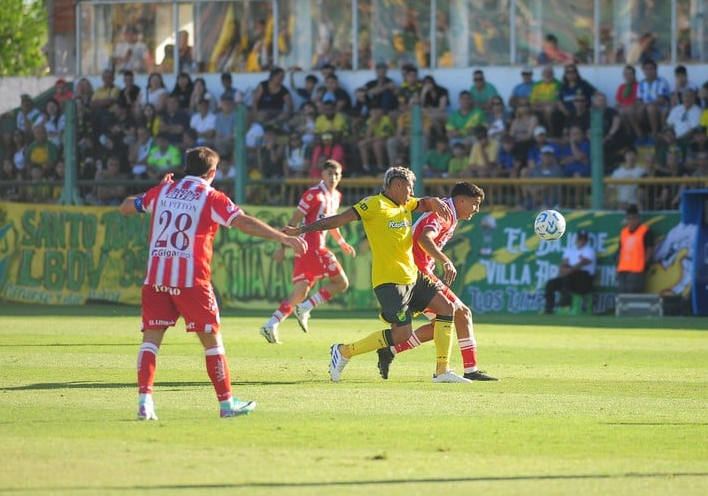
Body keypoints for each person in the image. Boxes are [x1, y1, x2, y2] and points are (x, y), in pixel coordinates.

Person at [119, 146, 307, 421]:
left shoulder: (162, 191)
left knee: (150, 341)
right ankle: (226, 403)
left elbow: (125, 206)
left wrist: (154, 191)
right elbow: (242, 222)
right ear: (213, 172)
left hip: (156, 277)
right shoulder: (210, 196)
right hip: (192, 280)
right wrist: (283, 237)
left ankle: (145, 404)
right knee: (212, 342)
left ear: (186, 167)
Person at [283, 166, 470, 383]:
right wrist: (301, 230)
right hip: (390, 281)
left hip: (414, 276)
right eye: (410, 188)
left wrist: (434, 200)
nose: (412, 193)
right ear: (397, 186)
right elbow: (336, 220)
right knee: (402, 335)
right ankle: (344, 351)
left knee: (447, 308)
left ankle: (442, 371)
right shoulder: (373, 205)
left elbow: (424, 202)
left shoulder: (406, 203)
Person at [375, 182, 498, 381]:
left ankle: (390, 350)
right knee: (461, 314)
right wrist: (446, 261)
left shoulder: (448, 212)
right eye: (475, 204)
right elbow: (424, 239)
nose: (477, 209)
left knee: (442, 325)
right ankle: (468, 370)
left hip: (419, 271)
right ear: (461, 200)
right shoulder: (444, 213)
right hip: (417, 273)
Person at [260, 160, 355, 343]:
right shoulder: (313, 195)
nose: (333, 177)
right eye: (329, 173)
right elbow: (294, 221)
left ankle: (271, 324)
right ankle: (306, 307)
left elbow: (331, 224)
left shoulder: (336, 196)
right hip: (312, 247)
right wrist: (282, 246)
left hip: (307, 250)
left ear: (341, 176)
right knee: (341, 282)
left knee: (300, 291)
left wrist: (342, 243)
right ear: (322, 175)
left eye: (337, 174)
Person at [544, 229, 596, 314]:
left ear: (587, 240)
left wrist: (569, 271)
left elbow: (582, 263)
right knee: (551, 283)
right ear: (576, 239)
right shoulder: (571, 250)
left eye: (584, 239)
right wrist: (562, 270)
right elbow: (563, 263)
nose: (581, 241)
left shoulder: (589, 251)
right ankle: (549, 308)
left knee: (572, 275)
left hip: (584, 281)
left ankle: (566, 300)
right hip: (568, 278)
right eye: (580, 239)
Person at [617, 204, 654, 293]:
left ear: (638, 219)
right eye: (629, 219)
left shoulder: (645, 231)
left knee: (633, 294)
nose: (631, 221)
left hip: (637, 270)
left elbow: (650, 249)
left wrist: (644, 264)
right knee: (623, 294)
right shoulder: (623, 232)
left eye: (634, 218)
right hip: (623, 269)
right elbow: (621, 250)